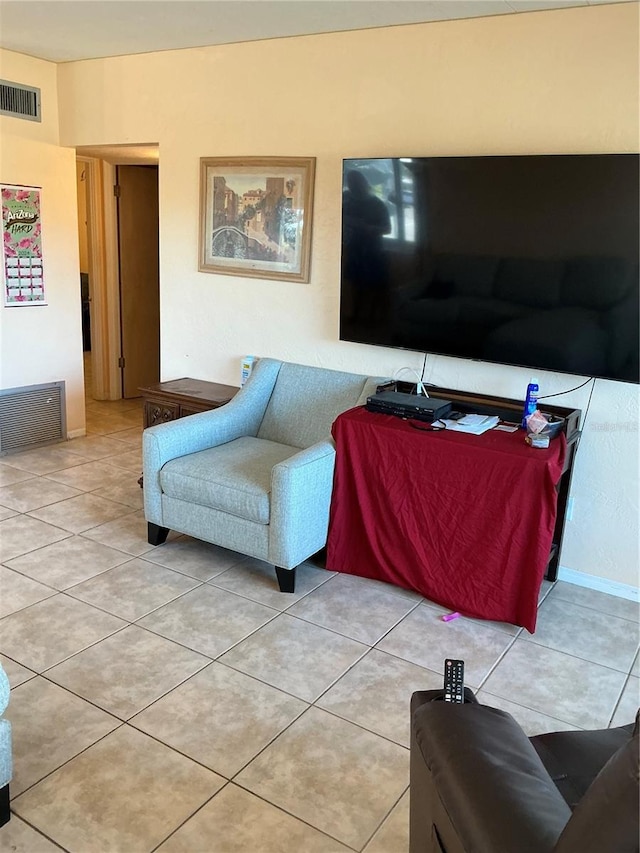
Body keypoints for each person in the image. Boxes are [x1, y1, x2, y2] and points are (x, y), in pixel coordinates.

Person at [342, 170, 391, 326]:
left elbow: (387, 229)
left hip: (372, 250)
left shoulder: (377, 204)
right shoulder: (346, 199)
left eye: (355, 182)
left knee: (373, 285)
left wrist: (369, 228)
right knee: (355, 285)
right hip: (354, 249)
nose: (352, 186)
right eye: (349, 182)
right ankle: (355, 317)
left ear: (363, 183)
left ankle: (371, 319)